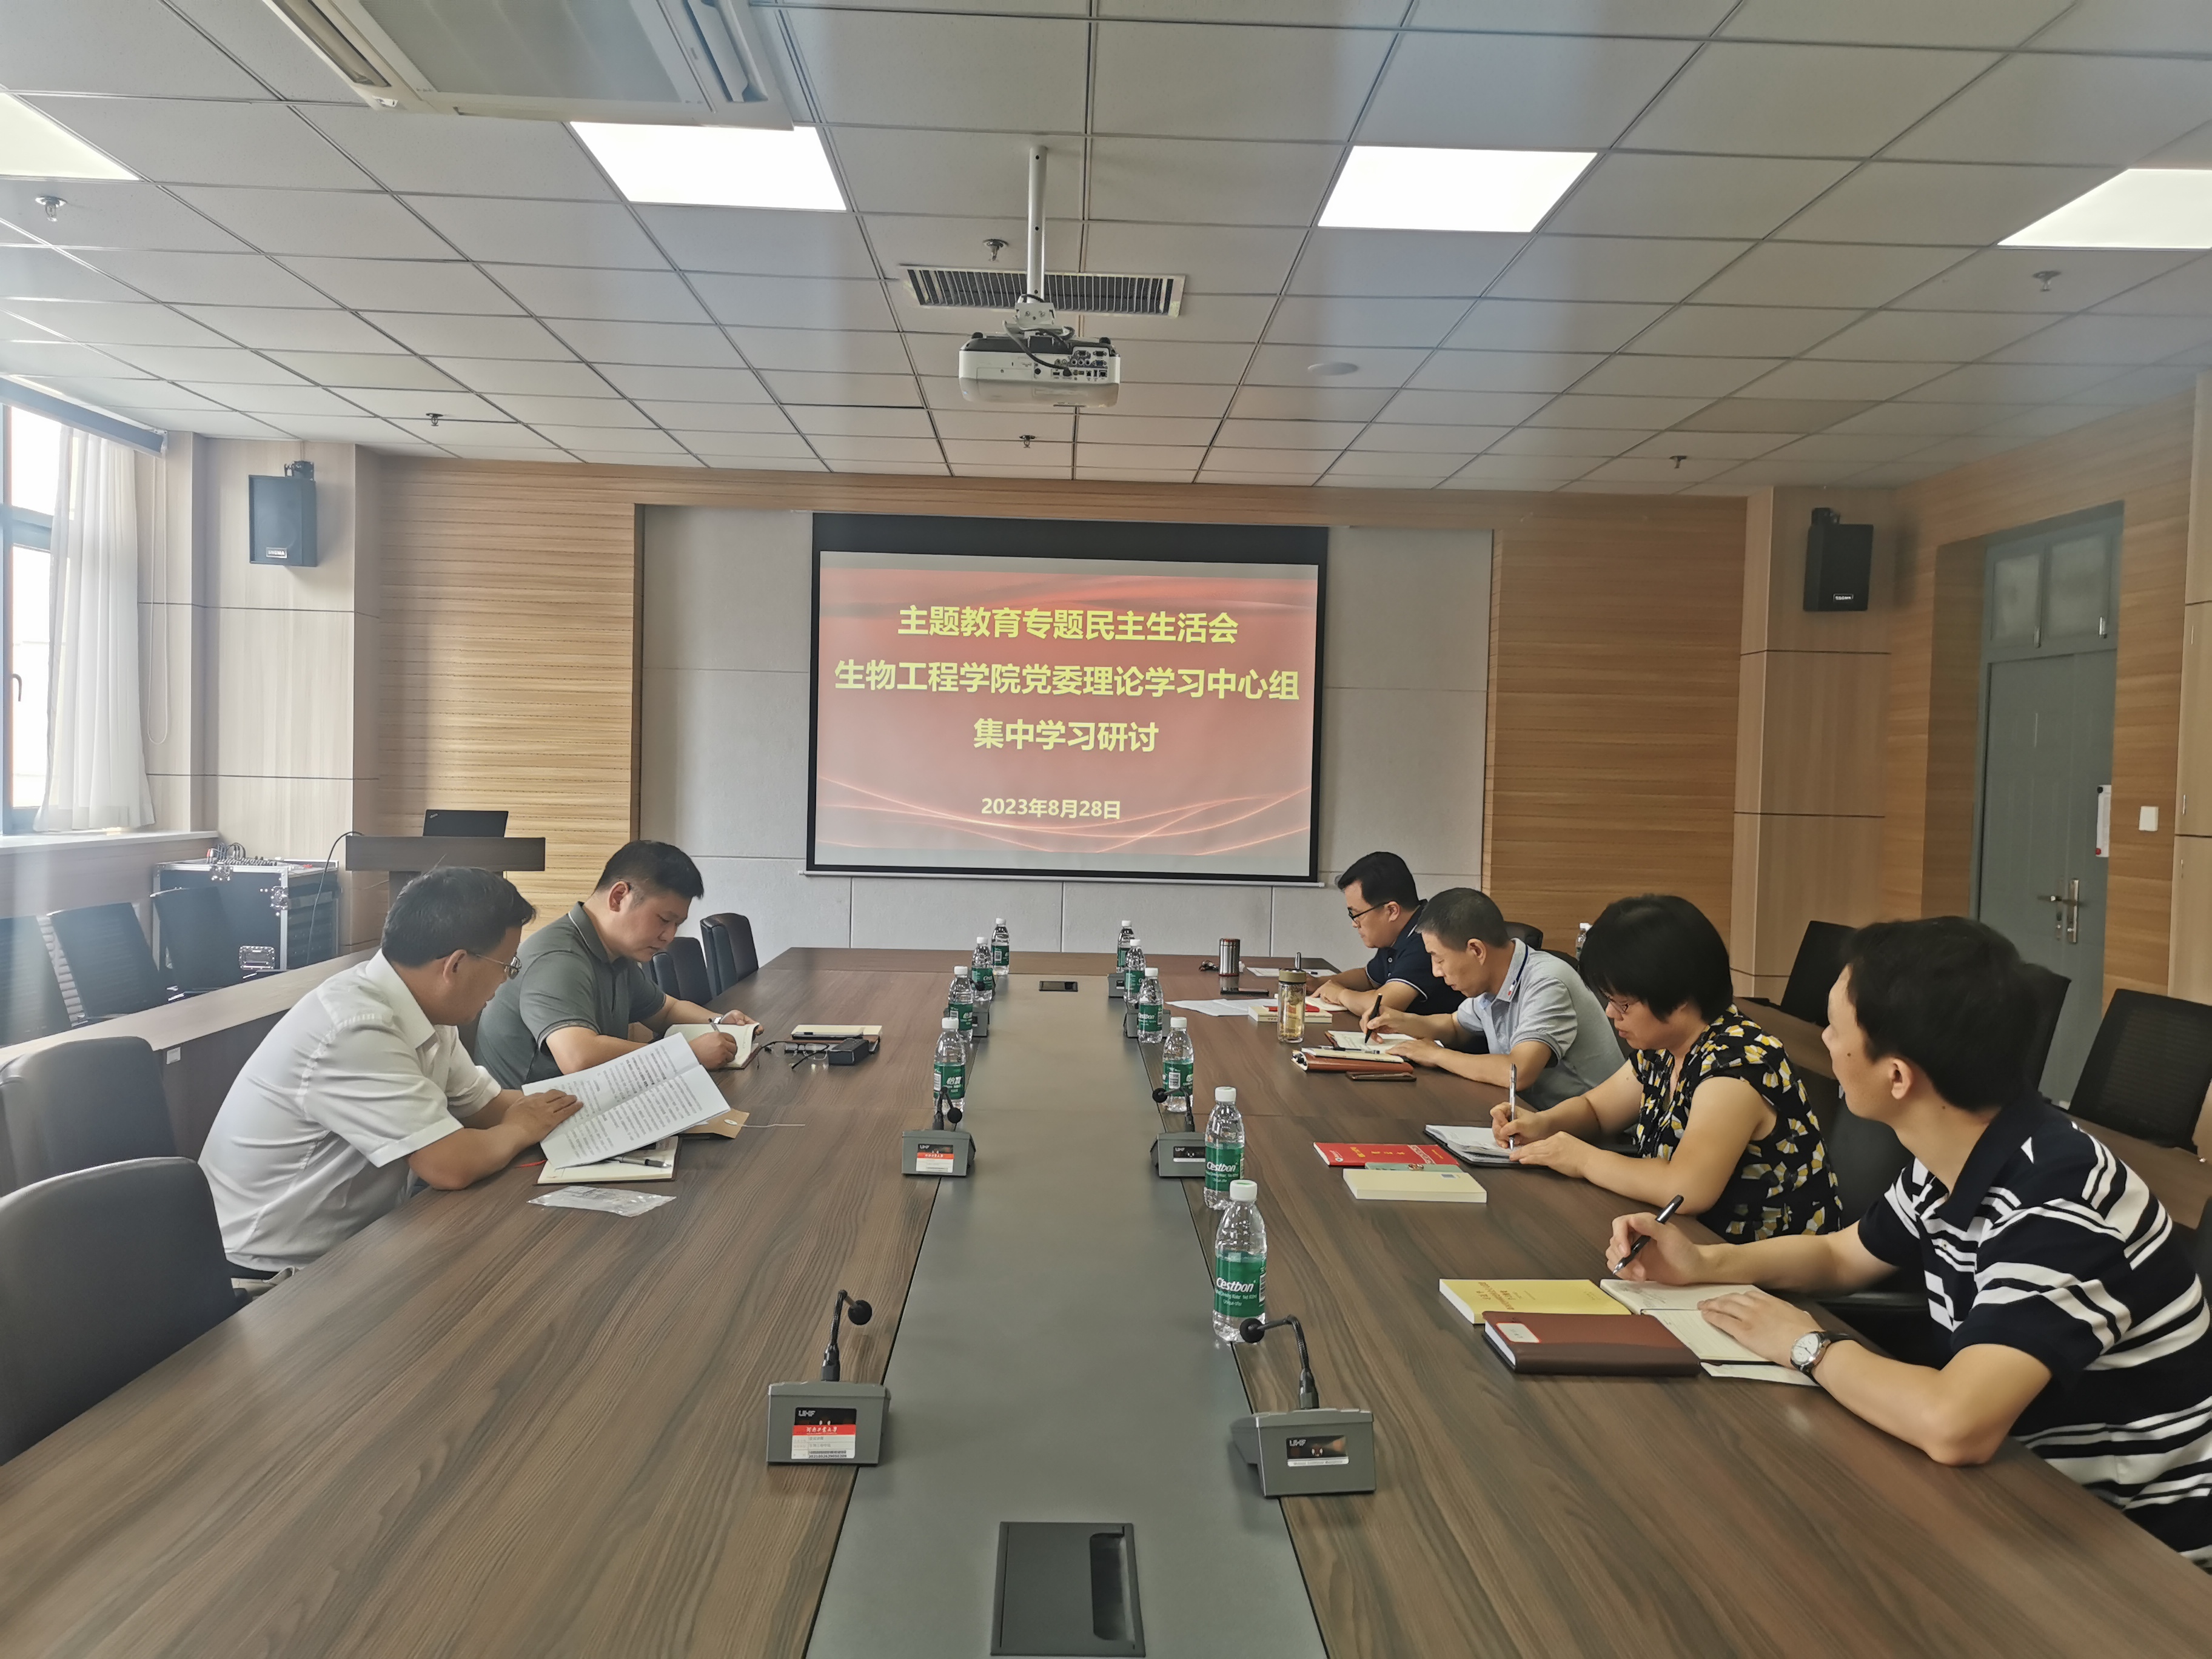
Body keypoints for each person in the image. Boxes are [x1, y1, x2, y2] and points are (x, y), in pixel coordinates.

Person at [1608, 917, 2212, 1566]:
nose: (1822, 1040)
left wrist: (1806, 1345)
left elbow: (1957, 1426)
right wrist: (1702, 1261)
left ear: (1897, 1076)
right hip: (2022, 1496)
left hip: (2133, 1552)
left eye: (1834, 1027)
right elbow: (1841, 1255)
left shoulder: (2062, 1203)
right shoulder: (1961, 1151)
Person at [199, 868, 584, 1279]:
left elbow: (484, 1107)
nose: (506, 979)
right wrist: (521, 1128)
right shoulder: (356, 1026)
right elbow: (449, 1165)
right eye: (507, 965)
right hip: (266, 1274)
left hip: (354, 1247)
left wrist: (589, 1102)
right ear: (455, 965)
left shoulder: (423, 1008)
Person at [1494, 893, 1835, 1241]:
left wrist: (1582, 1160)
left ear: (1679, 997)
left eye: (1623, 1003)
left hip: (1758, 1262)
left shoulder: (1738, 1063)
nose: (1611, 1013)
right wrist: (1543, 1124)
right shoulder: (1665, 1046)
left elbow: (1685, 1188)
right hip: (1689, 1244)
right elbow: (1596, 1111)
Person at [475, 839, 750, 1088]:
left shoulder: (615, 953)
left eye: (677, 924)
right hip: (528, 1119)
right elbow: (578, 1057)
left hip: (581, 1102)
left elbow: (666, 1010)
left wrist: (720, 1022)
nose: (669, 936)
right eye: (665, 920)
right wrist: (687, 1054)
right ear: (619, 897)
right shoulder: (560, 958)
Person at [1366, 886, 1616, 1105]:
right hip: (1532, 1117)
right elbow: (1455, 1026)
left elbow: (1518, 1072)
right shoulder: (1495, 978)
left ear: (1476, 950)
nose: (1436, 972)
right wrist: (1400, 1021)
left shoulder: (1547, 982)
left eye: (1439, 959)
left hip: (1590, 1131)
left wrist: (1435, 1054)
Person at [1309, 850, 1456, 1018]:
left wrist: (1340, 994)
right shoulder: (1400, 931)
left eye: (1356, 914)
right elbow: (1369, 978)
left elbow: (1379, 1005)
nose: (1354, 924)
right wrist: (1319, 983)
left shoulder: (1426, 938)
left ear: (1392, 911)